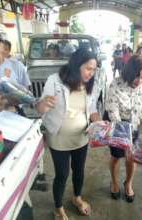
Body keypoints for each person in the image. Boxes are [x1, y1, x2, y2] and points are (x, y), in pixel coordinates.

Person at [36, 48, 100, 219]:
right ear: (76, 64)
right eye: (88, 68)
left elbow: (92, 109)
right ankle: (58, 207)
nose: (90, 73)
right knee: (62, 174)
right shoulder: (55, 81)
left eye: (93, 69)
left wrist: (99, 123)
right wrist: (44, 104)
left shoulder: (91, 84)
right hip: (59, 137)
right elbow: (40, 108)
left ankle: (76, 197)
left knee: (79, 170)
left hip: (81, 137)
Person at [105, 55, 142, 203]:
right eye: (136, 76)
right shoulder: (115, 84)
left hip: (135, 122)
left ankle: (128, 183)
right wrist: (124, 140)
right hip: (118, 123)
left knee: (132, 158)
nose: (139, 81)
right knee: (116, 157)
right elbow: (113, 113)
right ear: (128, 73)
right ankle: (114, 182)